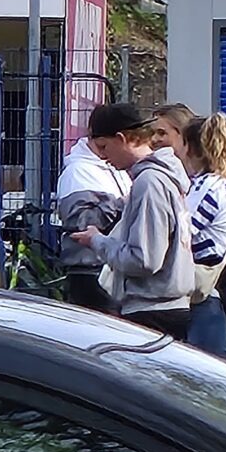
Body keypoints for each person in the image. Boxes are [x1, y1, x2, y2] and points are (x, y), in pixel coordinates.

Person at [64, 105, 194, 339]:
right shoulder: (165, 177)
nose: (103, 157)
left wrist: (98, 241)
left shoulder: (149, 182)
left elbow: (144, 260)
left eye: (104, 146)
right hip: (165, 305)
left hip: (151, 310)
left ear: (122, 138)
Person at [54, 101, 139, 312]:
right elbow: (81, 224)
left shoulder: (116, 169)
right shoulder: (77, 172)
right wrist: (121, 204)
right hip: (90, 270)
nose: (105, 155)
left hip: (110, 265)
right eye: (101, 147)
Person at [179, 113, 226, 358]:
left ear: (192, 149)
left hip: (210, 284)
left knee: (207, 357)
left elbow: (183, 228)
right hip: (219, 280)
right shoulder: (219, 185)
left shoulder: (208, 187)